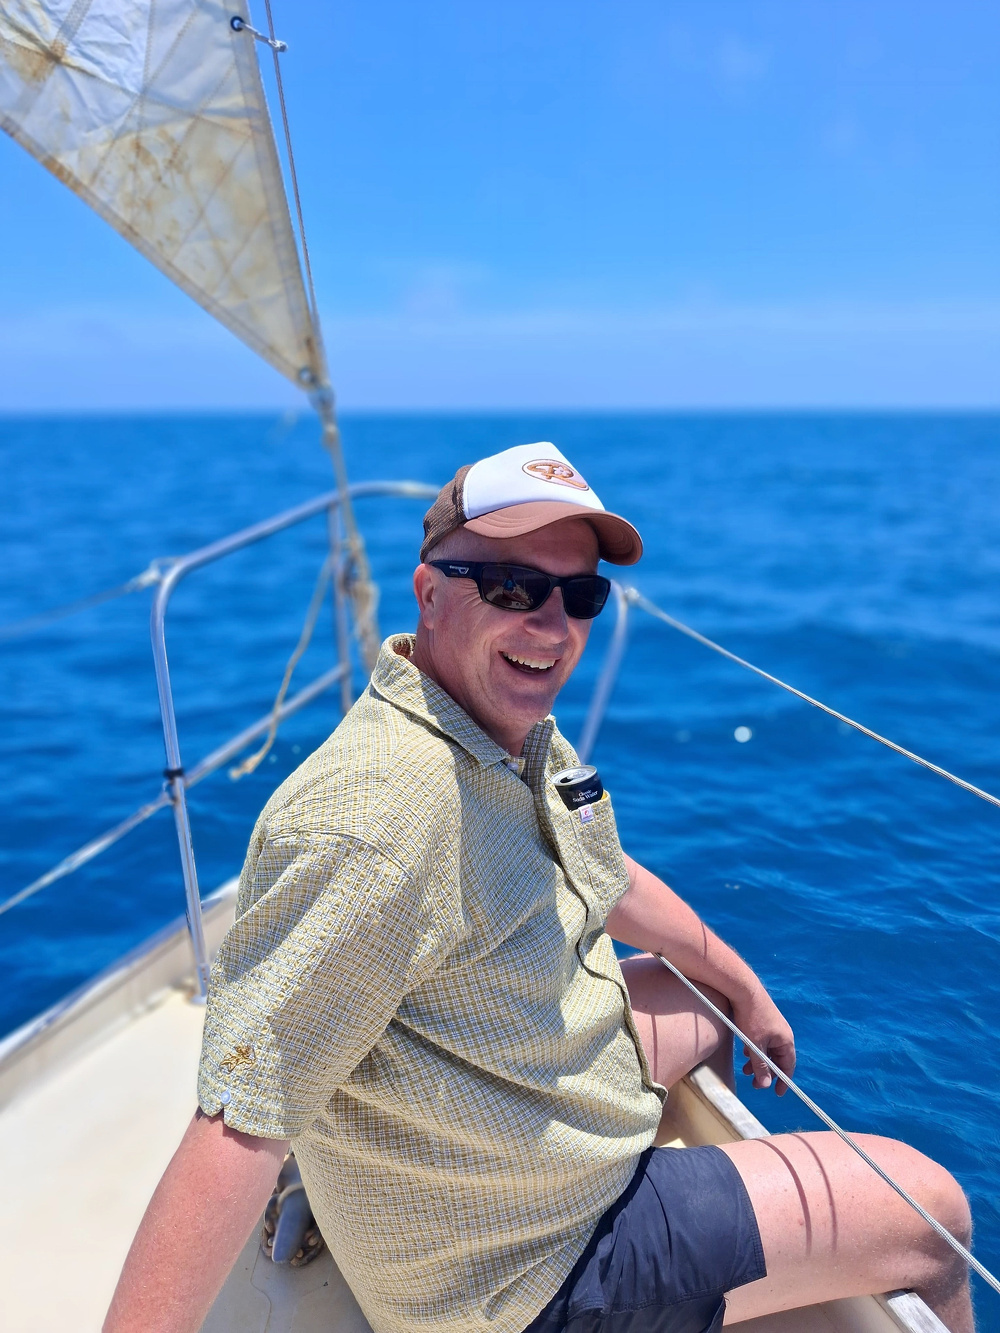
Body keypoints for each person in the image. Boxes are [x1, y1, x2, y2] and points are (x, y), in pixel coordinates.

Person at [105, 443, 974, 1333]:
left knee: (695, 993)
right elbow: (238, 1124)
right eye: (514, 587)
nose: (554, 627)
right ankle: (660, 1267)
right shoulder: (372, 828)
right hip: (524, 1274)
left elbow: (607, 869)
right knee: (931, 1209)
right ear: (430, 590)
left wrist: (744, 985)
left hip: (495, 1136)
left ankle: (692, 1246)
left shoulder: (494, 728)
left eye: (582, 595)